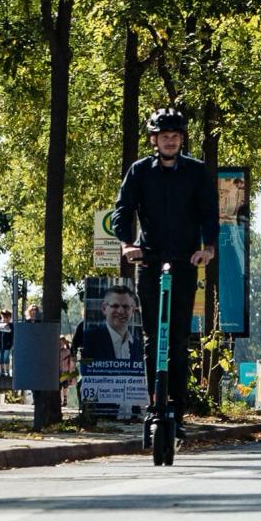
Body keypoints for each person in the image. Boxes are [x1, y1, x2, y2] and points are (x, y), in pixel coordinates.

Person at [111, 106, 216, 411]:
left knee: (179, 338)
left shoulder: (196, 172)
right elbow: (123, 210)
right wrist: (127, 244)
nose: (170, 141)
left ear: (182, 139)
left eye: (175, 136)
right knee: (152, 337)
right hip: (150, 259)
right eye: (163, 136)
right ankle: (154, 402)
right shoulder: (140, 171)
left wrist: (207, 249)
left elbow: (209, 213)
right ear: (154, 140)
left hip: (185, 260)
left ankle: (178, 406)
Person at [80, 286, 144, 362]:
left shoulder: (138, 345)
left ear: (132, 310)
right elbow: (84, 366)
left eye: (125, 306)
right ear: (104, 308)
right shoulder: (89, 338)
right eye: (115, 306)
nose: (120, 311)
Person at [0, 310, 15, 376]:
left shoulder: (11, 326)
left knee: (6, 357)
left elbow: (12, 335)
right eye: (4, 317)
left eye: (7, 317)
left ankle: (7, 371)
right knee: (0, 358)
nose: (5, 319)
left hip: (7, 345)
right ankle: (2, 371)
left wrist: (11, 344)